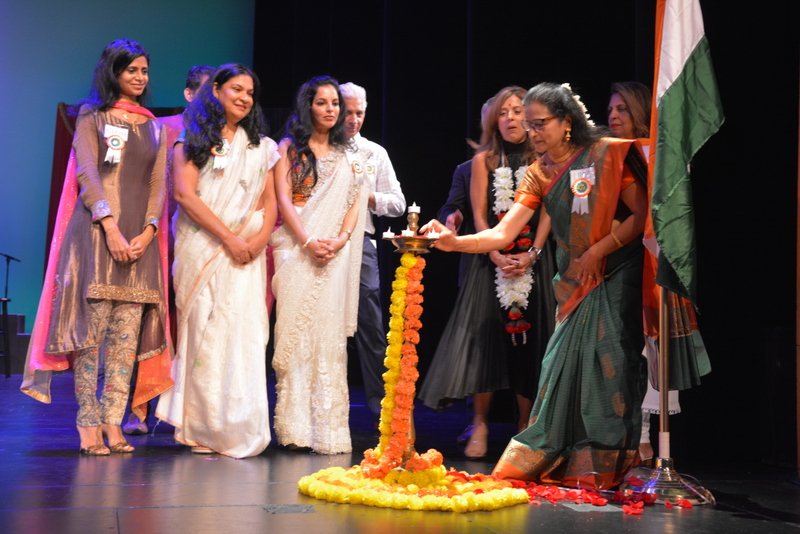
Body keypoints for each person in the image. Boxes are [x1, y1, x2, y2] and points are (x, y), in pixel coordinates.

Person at [422, 82, 649, 489]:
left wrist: (599, 251)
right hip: (576, 279)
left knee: (609, 366)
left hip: (615, 272)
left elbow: (641, 214)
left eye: (540, 123)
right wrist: (456, 243)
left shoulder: (605, 154)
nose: (532, 132)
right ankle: (567, 459)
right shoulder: (539, 172)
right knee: (559, 364)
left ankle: (608, 462)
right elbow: (503, 232)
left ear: (567, 122)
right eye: (529, 125)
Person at [20, 39, 171, 455]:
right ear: (113, 72)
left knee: (124, 342)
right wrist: (111, 229)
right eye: (131, 70)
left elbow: (158, 183)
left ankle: (113, 421)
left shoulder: (154, 126)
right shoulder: (93, 116)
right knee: (91, 340)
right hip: (96, 237)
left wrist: (149, 231)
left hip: (140, 243)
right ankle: (87, 422)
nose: (140, 78)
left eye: (144, 71)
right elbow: (88, 174)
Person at [417, 86, 557, 459]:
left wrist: (533, 252)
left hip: (533, 261)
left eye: (517, 111)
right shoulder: (483, 161)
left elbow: (547, 211)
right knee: (486, 342)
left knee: (531, 343)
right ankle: (479, 423)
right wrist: (495, 253)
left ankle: (526, 424)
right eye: (503, 112)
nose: (510, 118)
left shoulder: (543, 158)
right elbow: (479, 215)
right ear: (494, 120)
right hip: (488, 261)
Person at [154, 64, 278, 458]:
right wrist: (229, 239)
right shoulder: (191, 140)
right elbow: (185, 196)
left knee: (243, 333)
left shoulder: (262, 147)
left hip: (247, 254)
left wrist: (257, 242)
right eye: (236, 89)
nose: (245, 98)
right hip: (205, 248)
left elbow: (270, 203)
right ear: (217, 91)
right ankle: (201, 427)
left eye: (250, 92)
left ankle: (238, 425)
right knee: (205, 332)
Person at [608, 81, 710, 465]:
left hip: (650, 257)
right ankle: (621, 435)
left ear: (639, 111)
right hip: (615, 258)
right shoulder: (605, 153)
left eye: (622, 109)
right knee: (620, 350)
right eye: (610, 109)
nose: (613, 116)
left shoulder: (657, 152)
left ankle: (645, 437)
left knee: (652, 346)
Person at [270, 76, 369, 454]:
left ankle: (329, 431)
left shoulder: (350, 157)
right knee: (295, 337)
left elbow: (355, 203)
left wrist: (340, 240)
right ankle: (295, 428)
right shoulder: (288, 149)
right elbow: (283, 200)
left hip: (334, 256)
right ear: (307, 106)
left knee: (328, 339)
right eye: (322, 102)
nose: (330, 109)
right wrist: (308, 241)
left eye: (334, 103)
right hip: (296, 252)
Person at [123, 64, 214, 436]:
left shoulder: (222, 136)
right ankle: (138, 409)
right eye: (206, 92)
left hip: (202, 242)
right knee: (146, 324)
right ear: (189, 94)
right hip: (159, 239)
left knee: (197, 326)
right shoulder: (162, 128)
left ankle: (192, 412)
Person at [339, 82, 406, 416]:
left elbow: (398, 203)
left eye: (360, 113)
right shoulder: (320, 148)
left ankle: (381, 406)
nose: (354, 119)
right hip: (322, 242)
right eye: (348, 112)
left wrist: (367, 196)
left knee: (370, 324)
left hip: (360, 242)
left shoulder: (373, 153)